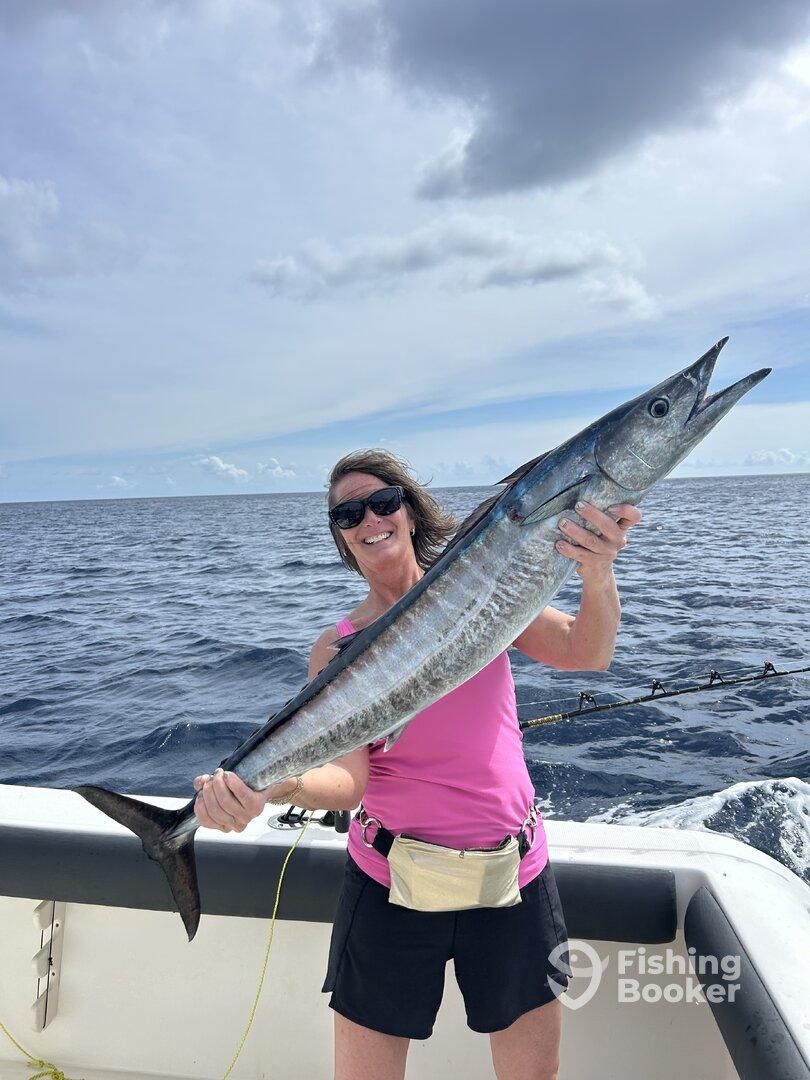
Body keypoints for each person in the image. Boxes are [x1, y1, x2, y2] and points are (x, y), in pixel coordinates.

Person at [193, 449, 642, 1080]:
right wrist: (269, 787)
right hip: (389, 885)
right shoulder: (337, 648)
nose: (369, 518)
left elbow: (586, 651)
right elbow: (350, 782)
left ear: (409, 509)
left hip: (511, 876)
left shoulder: (481, 583)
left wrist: (598, 574)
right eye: (349, 512)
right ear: (341, 535)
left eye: (382, 501)